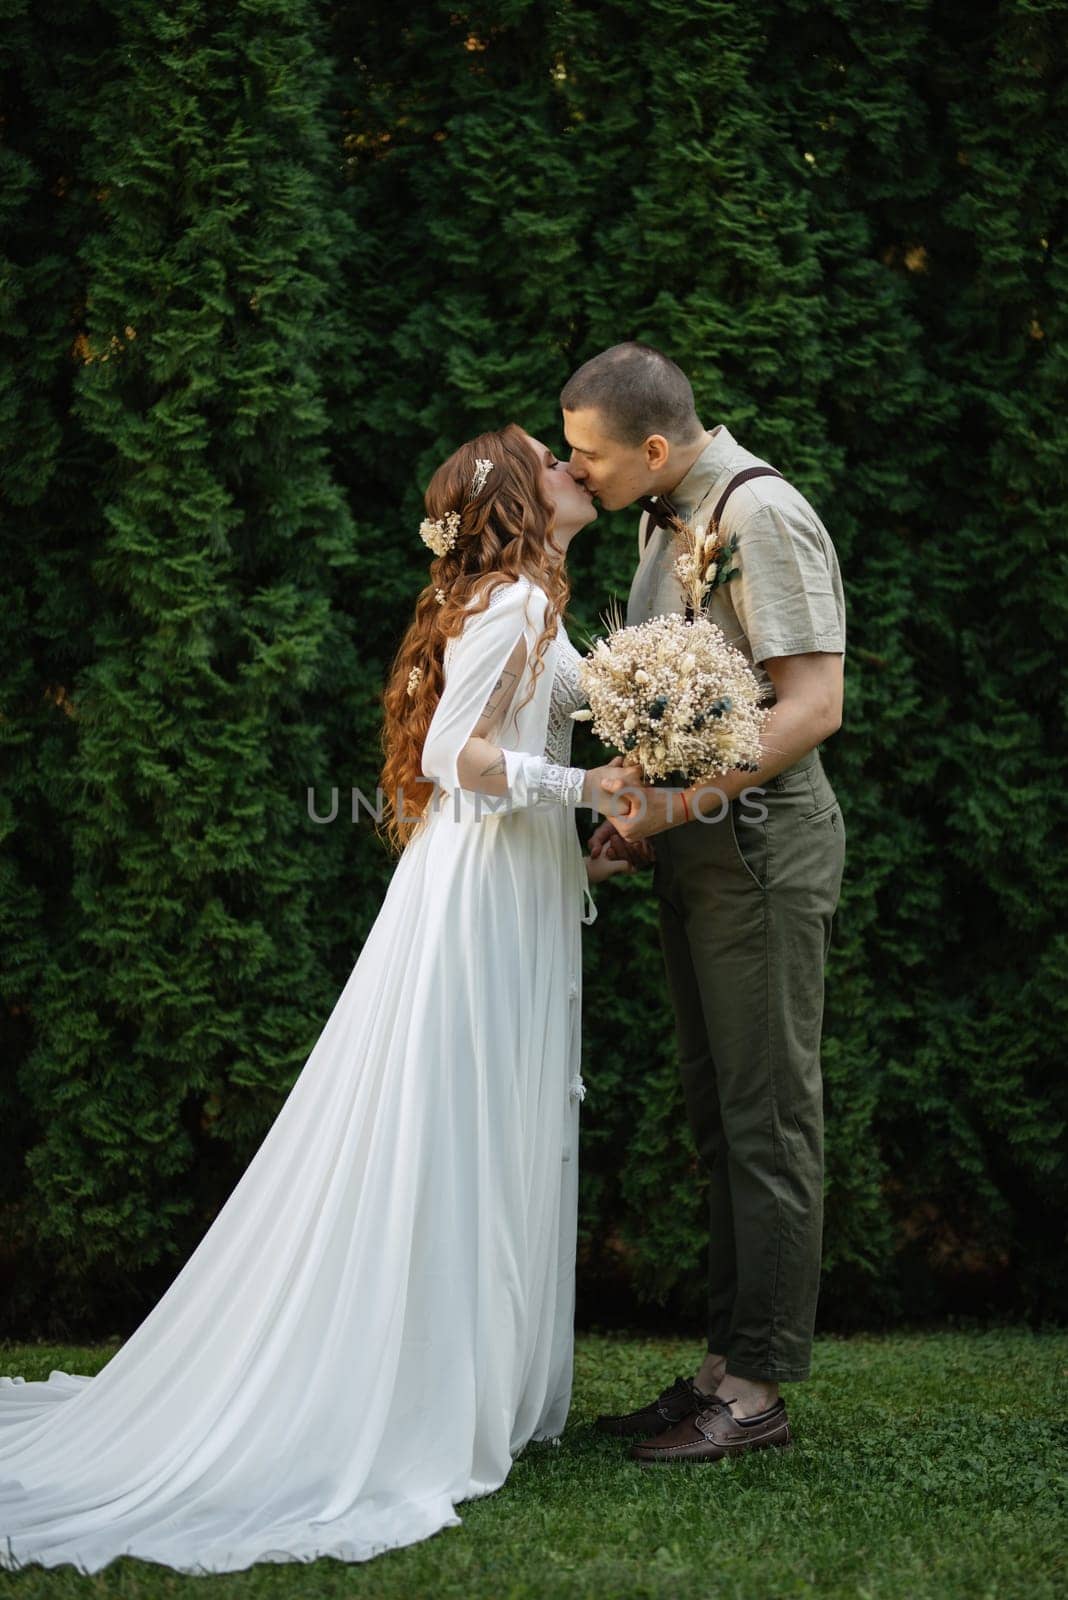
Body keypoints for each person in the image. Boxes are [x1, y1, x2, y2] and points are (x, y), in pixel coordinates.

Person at [0, 422, 639, 1574]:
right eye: (549, 457)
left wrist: (594, 815)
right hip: (477, 893)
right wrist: (585, 781)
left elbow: (531, 740)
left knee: (505, 1123)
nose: (568, 465)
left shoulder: (533, 604)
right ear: (516, 498)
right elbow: (456, 754)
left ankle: (485, 1374)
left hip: (520, 880)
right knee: (459, 1125)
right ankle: (427, 1386)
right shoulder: (504, 605)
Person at [561, 341, 847, 1465]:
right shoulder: (657, 512)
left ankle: (762, 1387)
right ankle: (724, 1368)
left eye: (588, 455)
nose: (575, 472)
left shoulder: (759, 515)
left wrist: (671, 813)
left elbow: (814, 706)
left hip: (764, 855)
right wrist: (639, 811)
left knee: (769, 1118)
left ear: (656, 447)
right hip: (697, 852)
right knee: (718, 1118)